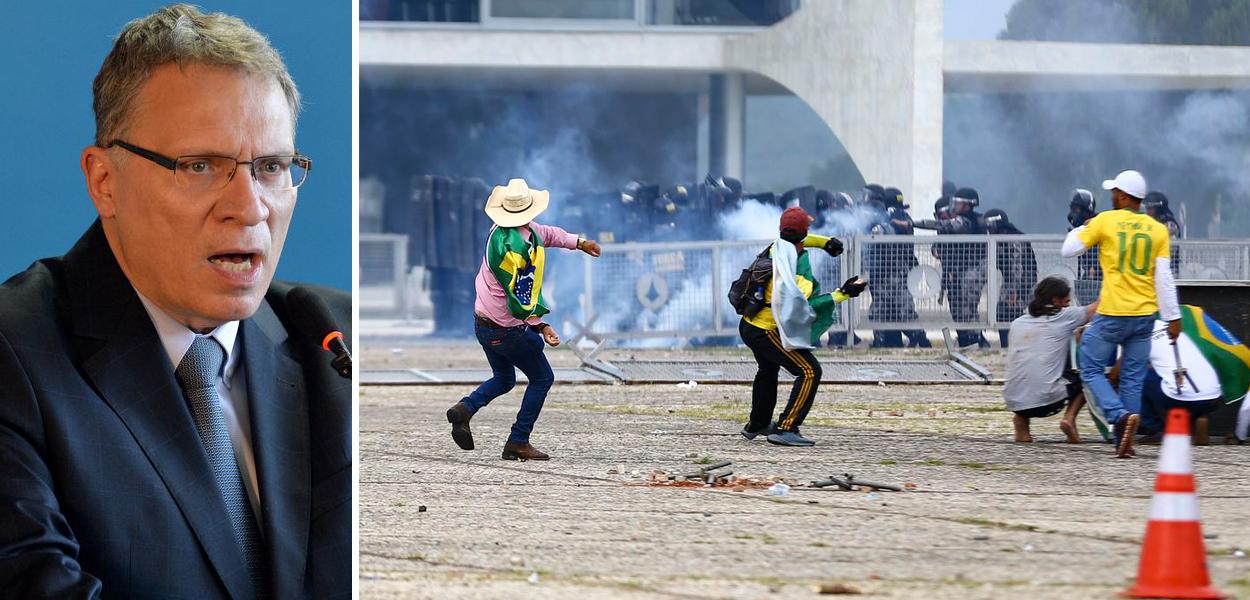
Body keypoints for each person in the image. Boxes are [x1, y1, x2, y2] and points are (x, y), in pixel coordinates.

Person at [0, 6, 349, 598]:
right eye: (199, 166)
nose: (250, 206)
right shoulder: (17, 357)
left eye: (271, 167)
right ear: (104, 181)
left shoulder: (334, 336)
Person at [446, 178, 601, 461]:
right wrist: (541, 326)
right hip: (506, 328)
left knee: (504, 378)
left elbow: (548, 234)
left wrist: (579, 242)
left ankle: (465, 409)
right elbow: (520, 298)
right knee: (542, 377)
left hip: (483, 324)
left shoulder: (506, 231)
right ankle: (518, 440)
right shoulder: (511, 253)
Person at [1062, 169, 1181, 458]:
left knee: (1089, 367)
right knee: (1132, 378)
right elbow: (1163, 278)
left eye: (1114, 191)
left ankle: (1117, 416)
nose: (1111, 195)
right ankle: (1123, 442)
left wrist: (1085, 226)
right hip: (1145, 316)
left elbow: (1069, 249)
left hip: (1113, 312)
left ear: (1124, 196)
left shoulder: (1106, 221)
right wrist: (1173, 318)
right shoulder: (1157, 229)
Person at [739, 207, 863, 446]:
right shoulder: (795, 271)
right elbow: (805, 307)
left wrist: (826, 243)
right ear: (802, 234)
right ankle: (786, 428)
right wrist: (843, 293)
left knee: (768, 369)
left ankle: (758, 423)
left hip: (749, 324)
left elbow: (801, 238)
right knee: (809, 371)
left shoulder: (778, 246)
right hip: (766, 330)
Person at [1003, 277, 1098, 443]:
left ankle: (1021, 422)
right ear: (1056, 301)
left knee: (1030, 366)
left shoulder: (1018, 322)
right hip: (1047, 402)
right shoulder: (1063, 316)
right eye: (1067, 301)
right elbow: (1098, 307)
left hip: (1014, 400)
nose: (1068, 305)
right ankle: (1069, 419)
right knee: (1089, 376)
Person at [1138, 316, 1222, 446]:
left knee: (1137, 376)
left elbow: (1121, 370)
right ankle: (1199, 418)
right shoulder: (1173, 328)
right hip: (1214, 398)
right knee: (1170, 377)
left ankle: (1156, 429)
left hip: (1180, 399)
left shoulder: (1138, 336)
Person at [933, 187, 988, 348]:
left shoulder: (969, 221)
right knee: (957, 311)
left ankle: (976, 341)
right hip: (954, 276)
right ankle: (967, 341)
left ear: (967, 205)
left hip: (970, 274)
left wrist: (911, 223)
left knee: (967, 310)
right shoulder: (951, 226)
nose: (954, 206)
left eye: (958, 203)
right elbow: (938, 248)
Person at [985, 209, 1037, 348]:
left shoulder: (1013, 239)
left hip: (1021, 285)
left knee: (1008, 314)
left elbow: (1017, 267)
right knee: (1005, 314)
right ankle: (1010, 348)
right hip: (1015, 284)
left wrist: (1014, 292)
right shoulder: (1003, 238)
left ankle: (1012, 349)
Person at [1067, 189, 1102, 304]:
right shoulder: (1082, 230)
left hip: (1100, 276)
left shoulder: (1098, 225)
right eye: (1072, 210)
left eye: (1076, 210)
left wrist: (1095, 267)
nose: (1072, 214)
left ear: (1086, 211)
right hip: (1088, 274)